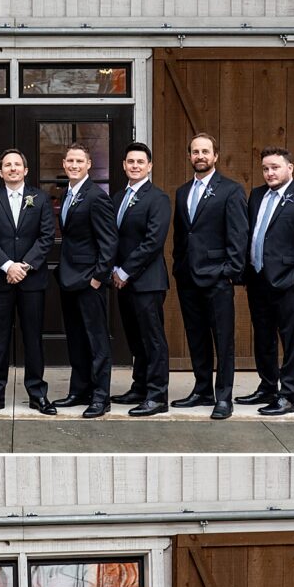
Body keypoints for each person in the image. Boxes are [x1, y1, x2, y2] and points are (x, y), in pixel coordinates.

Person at [237, 148, 294, 416]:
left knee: (290, 341)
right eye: (265, 168)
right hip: (258, 279)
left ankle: (288, 396)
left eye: (275, 167)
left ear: (290, 168)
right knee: (263, 338)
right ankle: (267, 387)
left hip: (287, 282)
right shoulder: (256, 195)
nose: (269, 173)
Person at [171, 133, 248, 420]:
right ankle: (202, 389)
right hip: (188, 277)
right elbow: (182, 234)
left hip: (217, 277)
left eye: (205, 151)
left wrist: (229, 272)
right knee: (196, 335)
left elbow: (239, 236)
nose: (200, 156)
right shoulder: (182, 192)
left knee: (223, 339)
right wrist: (179, 267)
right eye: (195, 151)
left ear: (215, 155)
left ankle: (223, 397)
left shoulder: (231, 190)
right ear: (189, 156)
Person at [0, 149, 56, 415]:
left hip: (32, 281)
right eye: (7, 165)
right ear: (0, 172)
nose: (12, 168)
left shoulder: (40, 198)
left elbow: (46, 237)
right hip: (0, 280)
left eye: (17, 164)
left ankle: (37, 394)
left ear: (26, 170)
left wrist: (25, 266)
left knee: (33, 338)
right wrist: (8, 266)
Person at [53, 143, 118, 419]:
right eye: (70, 160)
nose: (74, 165)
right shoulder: (68, 194)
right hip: (69, 278)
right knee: (76, 338)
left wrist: (98, 278)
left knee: (96, 340)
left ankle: (100, 396)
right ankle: (79, 390)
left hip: (88, 280)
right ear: (64, 164)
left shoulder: (96, 196)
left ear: (89, 164)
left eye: (80, 160)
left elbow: (109, 241)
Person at [110, 143, 172, 416]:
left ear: (149, 166)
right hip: (122, 281)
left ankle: (157, 396)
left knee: (153, 339)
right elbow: (112, 238)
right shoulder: (117, 198)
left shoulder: (157, 198)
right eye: (130, 161)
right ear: (124, 165)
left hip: (147, 281)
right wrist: (112, 267)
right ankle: (140, 387)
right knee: (135, 338)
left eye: (140, 162)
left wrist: (124, 271)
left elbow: (152, 242)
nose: (135, 165)